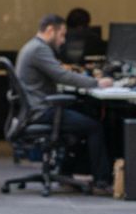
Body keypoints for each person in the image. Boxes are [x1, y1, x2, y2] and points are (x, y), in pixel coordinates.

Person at [15, 13, 115, 193]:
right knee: (94, 127)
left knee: (85, 113)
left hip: (35, 109)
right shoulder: (39, 49)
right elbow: (62, 76)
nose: (63, 41)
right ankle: (102, 181)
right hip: (42, 111)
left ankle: (66, 173)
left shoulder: (32, 46)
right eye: (61, 35)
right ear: (50, 30)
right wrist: (96, 83)